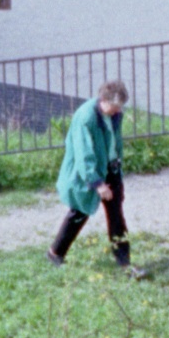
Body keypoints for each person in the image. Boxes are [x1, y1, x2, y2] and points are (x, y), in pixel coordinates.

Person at [50, 79, 139, 274]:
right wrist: (98, 184)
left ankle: (124, 262)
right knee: (79, 212)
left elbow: (113, 143)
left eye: (120, 107)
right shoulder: (86, 117)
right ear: (103, 100)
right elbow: (84, 154)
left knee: (116, 216)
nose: (118, 110)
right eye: (115, 106)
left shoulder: (115, 114)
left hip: (111, 168)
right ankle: (55, 253)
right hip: (90, 173)